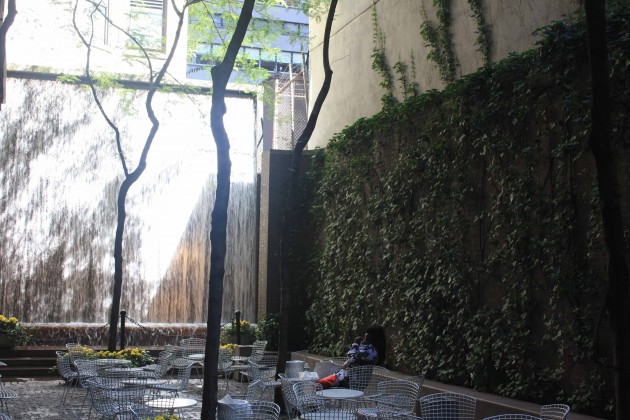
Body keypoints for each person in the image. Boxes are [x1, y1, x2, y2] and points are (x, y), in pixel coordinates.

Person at [317, 325, 387, 389]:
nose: (365, 334)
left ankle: (326, 401)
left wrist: (356, 343)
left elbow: (351, 357)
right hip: (357, 381)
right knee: (324, 382)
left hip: (350, 380)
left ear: (374, 337)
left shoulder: (369, 351)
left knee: (319, 384)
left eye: (368, 333)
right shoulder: (373, 350)